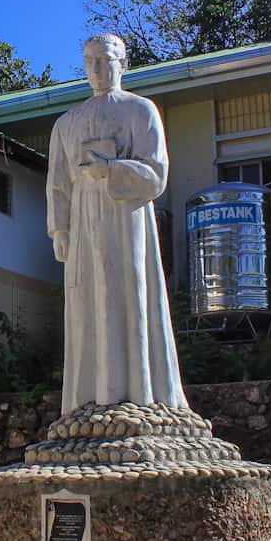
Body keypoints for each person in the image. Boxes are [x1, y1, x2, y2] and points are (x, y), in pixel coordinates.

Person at [47, 33, 188, 414]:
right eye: (90, 60)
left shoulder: (141, 111)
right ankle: (87, 399)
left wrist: (110, 169)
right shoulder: (66, 123)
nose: (96, 68)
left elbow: (156, 175)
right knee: (86, 302)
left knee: (129, 295)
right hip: (83, 222)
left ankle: (140, 392)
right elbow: (58, 183)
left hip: (125, 219)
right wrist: (60, 229)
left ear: (122, 63)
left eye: (105, 59)